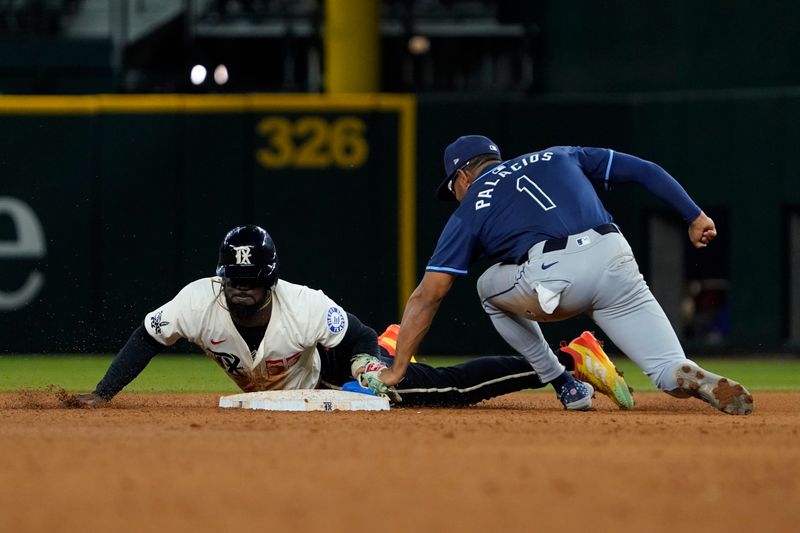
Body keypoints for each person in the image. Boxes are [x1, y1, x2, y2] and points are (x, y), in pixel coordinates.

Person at [377, 135, 754, 415]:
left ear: (462, 176)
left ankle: (564, 385)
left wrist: (398, 369)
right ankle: (681, 371)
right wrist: (694, 215)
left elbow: (430, 295)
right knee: (665, 374)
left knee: (486, 289)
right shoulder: (558, 155)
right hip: (615, 258)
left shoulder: (474, 203)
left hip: (556, 277)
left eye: (453, 189)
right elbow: (644, 170)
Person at [72, 224, 629, 409]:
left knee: (435, 393)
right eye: (233, 283)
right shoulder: (197, 301)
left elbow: (351, 338)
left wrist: (372, 368)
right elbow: (146, 337)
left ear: (271, 280)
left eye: (252, 283)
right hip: (299, 388)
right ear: (222, 278)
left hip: (334, 373)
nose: (241, 292)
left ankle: (566, 360)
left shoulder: (304, 305)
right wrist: (102, 394)